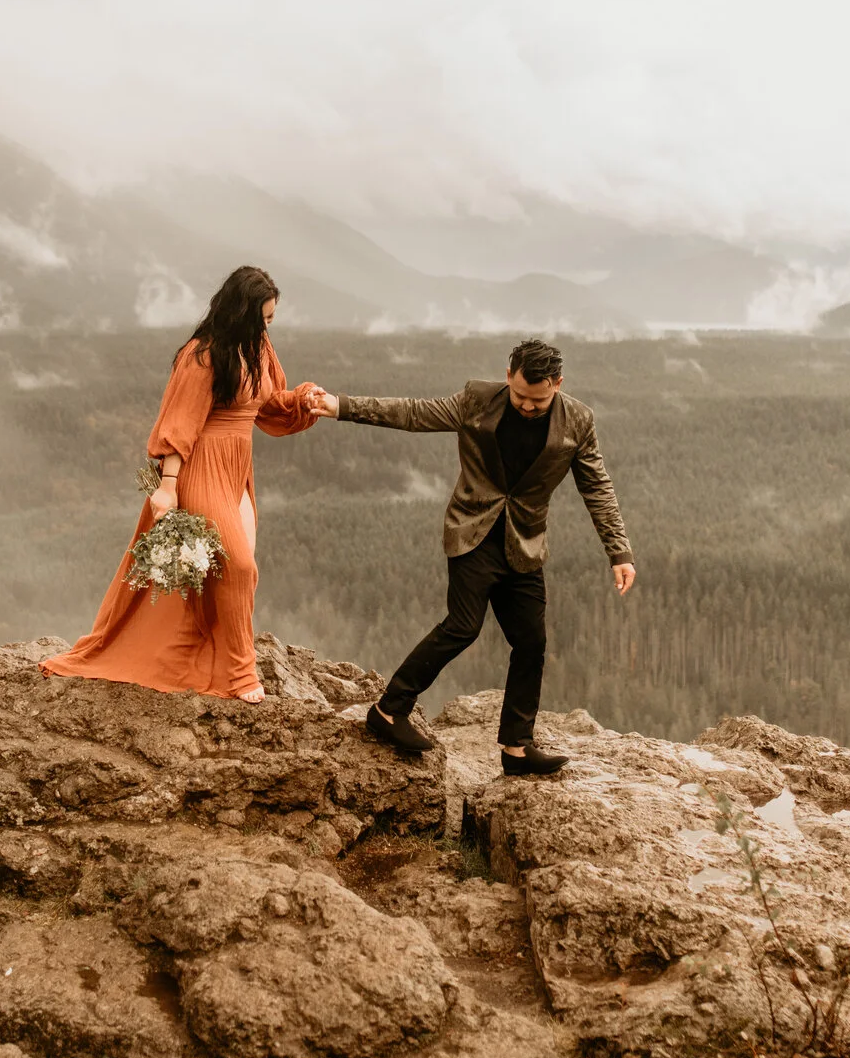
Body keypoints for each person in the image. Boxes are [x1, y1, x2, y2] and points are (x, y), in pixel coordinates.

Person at [303, 338, 634, 775]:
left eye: (538, 400)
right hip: (472, 534)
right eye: (519, 395)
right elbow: (414, 413)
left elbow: (597, 487)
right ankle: (388, 710)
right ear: (508, 375)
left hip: (524, 544)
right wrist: (341, 406)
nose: (527, 406)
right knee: (463, 626)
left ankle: (517, 748)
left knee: (531, 643)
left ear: (558, 384)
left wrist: (619, 551)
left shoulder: (578, 421)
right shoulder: (478, 400)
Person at [43, 267, 324, 702]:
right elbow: (179, 424)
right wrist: (169, 486)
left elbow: (266, 405)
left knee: (241, 569)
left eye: (270, 320)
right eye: (262, 319)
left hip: (237, 468)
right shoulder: (203, 355)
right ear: (241, 312)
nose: (267, 328)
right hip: (201, 465)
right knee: (237, 565)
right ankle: (240, 674)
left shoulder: (258, 348)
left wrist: (303, 400)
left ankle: (216, 652)